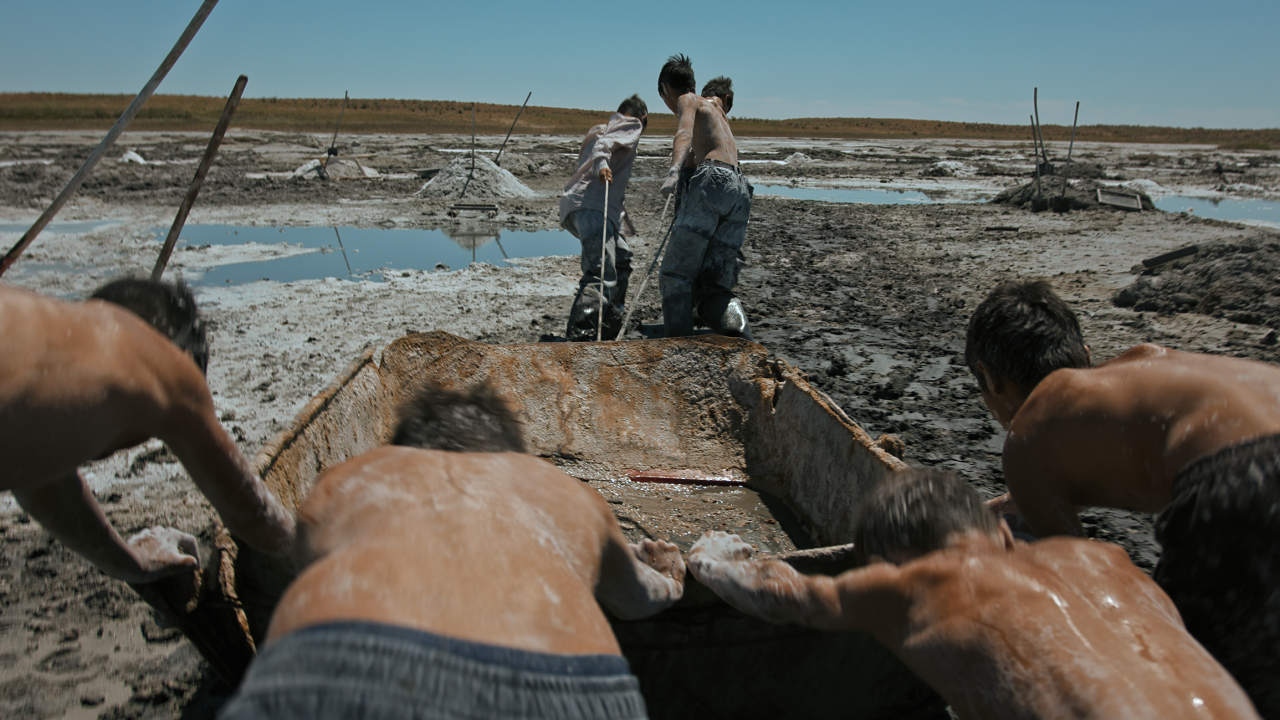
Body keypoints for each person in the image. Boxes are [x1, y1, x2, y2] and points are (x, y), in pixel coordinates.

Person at [219, 382, 685, 720]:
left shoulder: (349, 478)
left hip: (333, 662)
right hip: (567, 686)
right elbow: (636, 600)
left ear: (404, 449)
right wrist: (669, 573)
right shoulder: (568, 491)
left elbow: (301, 563)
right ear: (513, 458)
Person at [687, 468, 1261, 720]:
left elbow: (782, 594)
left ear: (891, 561)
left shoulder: (913, 582)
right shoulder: (1106, 561)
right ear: (1005, 535)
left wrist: (711, 557)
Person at [965, 279, 1280, 717]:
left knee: (1187, 686)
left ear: (990, 378)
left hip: (1243, 477)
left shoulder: (1027, 437)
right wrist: (987, 511)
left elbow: (1078, 570)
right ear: (1087, 357)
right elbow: (1065, 483)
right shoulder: (1138, 369)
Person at [0, 280, 295, 585]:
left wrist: (133, 564)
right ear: (183, 355)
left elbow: (45, 483)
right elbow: (255, 514)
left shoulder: (48, 342)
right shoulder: (166, 363)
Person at [656, 56, 753, 340]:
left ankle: (680, 353)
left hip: (713, 180)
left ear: (665, 88)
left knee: (675, 277)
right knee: (713, 286)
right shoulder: (720, 117)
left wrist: (673, 171)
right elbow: (693, 164)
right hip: (740, 188)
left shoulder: (689, 100)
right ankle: (743, 347)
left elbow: (683, 135)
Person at [560, 94, 648, 341]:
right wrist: (602, 167)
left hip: (578, 206)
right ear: (643, 117)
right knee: (600, 274)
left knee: (622, 259)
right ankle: (581, 337)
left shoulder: (598, 128)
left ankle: (609, 320)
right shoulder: (632, 124)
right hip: (594, 208)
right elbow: (603, 149)